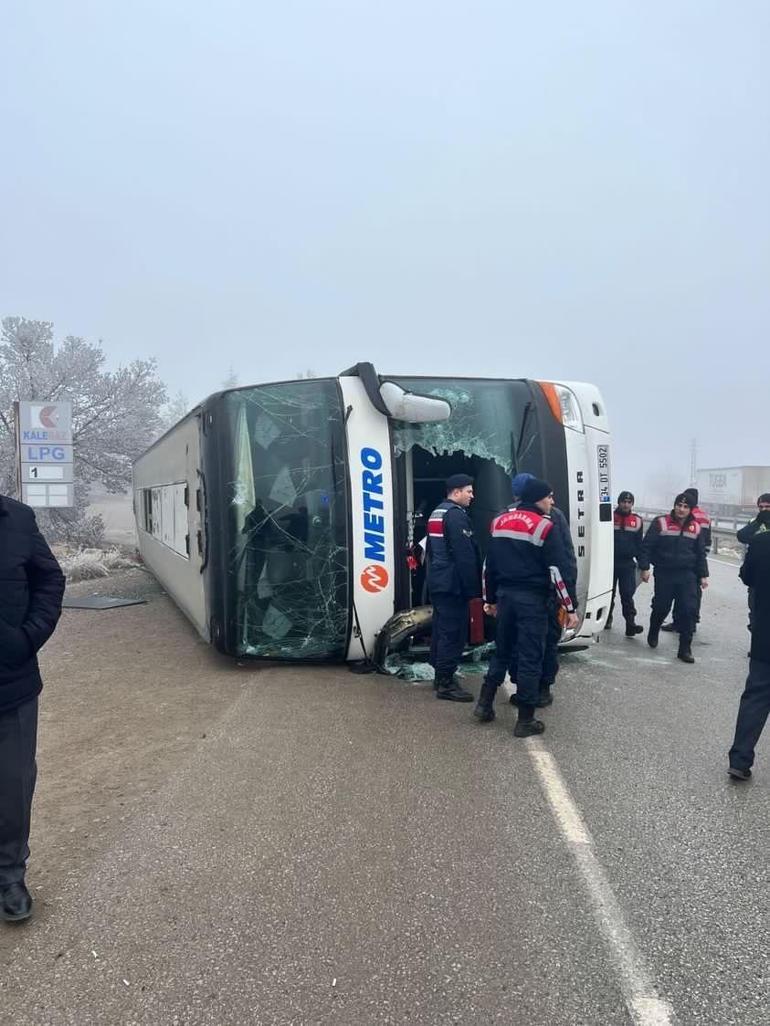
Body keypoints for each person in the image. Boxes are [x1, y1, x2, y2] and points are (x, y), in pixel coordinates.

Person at [0, 493, 65, 922]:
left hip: (12, 684)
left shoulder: (18, 519)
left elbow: (50, 580)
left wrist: (27, 638)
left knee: (12, 784)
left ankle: (9, 874)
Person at [474, 478, 578, 737]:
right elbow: (557, 571)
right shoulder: (546, 526)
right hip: (532, 601)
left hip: (506, 599)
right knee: (531, 656)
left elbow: (489, 566)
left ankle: (484, 704)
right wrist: (570, 608)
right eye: (549, 497)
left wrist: (490, 601)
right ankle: (526, 720)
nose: (552, 502)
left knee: (503, 651)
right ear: (537, 499)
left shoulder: (499, 522)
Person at [506, 472, 577, 707]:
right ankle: (533, 688)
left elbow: (565, 559)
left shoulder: (508, 514)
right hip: (543, 593)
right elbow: (566, 560)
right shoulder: (551, 516)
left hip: (532, 593)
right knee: (542, 641)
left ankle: (537, 687)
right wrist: (570, 602)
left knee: (529, 641)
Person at [425, 474, 482, 701]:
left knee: (441, 630)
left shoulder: (437, 512)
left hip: (438, 581)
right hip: (453, 584)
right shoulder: (456, 516)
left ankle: (441, 676)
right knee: (453, 633)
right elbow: (464, 556)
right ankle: (446, 684)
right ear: (456, 492)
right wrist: (473, 591)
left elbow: (430, 551)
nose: (472, 496)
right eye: (468, 491)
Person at [638, 493, 708, 664]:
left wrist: (703, 575)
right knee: (661, 607)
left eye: (685, 507)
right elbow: (646, 546)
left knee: (688, 611)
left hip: (688, 575)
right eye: (679, 505)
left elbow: (700, 554)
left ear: (690, 509)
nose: (681, 509)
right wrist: (645, 567)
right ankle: (654, 629)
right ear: (675, 505)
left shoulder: (696, 527)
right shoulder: (661, 522)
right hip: (665, 572)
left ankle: (685, 648)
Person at [728, 528, 770, 780]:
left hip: (765, 633)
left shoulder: (761, 541)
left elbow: (747, 576)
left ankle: (740, 759)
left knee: (756, 697)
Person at [661, 487, 711, 634]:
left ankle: (678, 622)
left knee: (681, 592)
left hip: (687, 557)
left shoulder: (688, 516)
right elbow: (707, 538)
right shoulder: (705, 516)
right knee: (694, 593)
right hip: (699, 557)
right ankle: (692, 620)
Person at [605, 490, 644, 636]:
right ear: (619, 502)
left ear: (632, 504)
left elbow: (640, 545)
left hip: (627, 564)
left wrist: (643, 566)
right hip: (609, 562)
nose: (626, 504)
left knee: (627, 594)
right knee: (609, 593)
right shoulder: (608, 517)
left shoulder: (637, 521)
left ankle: (630, 624)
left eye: (629, 502)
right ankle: (607, 618)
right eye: (623, 502)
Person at [736, 494, 770, 634]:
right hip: (757, 575)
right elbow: (742, 536)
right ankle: (756, 645)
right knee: (755, 612)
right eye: (761, 507)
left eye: (768, 507)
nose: (764, 510)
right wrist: (758, 522)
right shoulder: (754, 522)